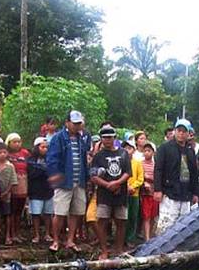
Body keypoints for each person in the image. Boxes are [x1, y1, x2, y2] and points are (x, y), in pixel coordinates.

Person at [46, 110, 90, 252]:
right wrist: (56, 177)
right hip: (64, 182)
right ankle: (56, 240)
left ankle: (70, 240)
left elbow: (84, 160)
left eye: (79, 123)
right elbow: (52, 160)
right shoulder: (58, 138)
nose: (77, 126)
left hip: (79, 180)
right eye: (74, 123)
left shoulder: (81, 139)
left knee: (76, 212)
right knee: (59, 213)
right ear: (67, 123)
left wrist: (87, 178)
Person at [91, 126, 131, 259]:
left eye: (110, 137)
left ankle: (118, 250)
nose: (107, 140)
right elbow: (93, 176)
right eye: (105, 138)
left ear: (114, 138)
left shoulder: (124, 153)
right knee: (102, 221)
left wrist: (117, 182)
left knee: (121, 221)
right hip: (104, 194)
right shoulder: (98, 156)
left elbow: (127, 172)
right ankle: (104, 250)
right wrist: (107, 185)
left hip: (121, 193)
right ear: (101, 139)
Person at [154, 119, 199, 235]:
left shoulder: (190, 151)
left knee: (183, 227)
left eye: (184, 131)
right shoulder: (165, 148)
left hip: (185, 193)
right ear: (175, 131)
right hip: (169, 192)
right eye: (179, 130)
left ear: (189, 133)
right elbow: (158, 169)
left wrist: (195, 193)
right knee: (166, 225)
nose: (181, 133)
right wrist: (157, 189)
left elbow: (194, 173)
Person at [27, 137, 54, 244]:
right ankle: (36, 235)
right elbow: (32, 174)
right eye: (42, 147)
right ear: (37, 147)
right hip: (35, 190)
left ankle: (47, 234)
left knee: (48, 213)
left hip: (48, 189)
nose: (45, 149)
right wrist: (43, 170)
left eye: (46, 147)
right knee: (36, 214)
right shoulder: (30, 160)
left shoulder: (51, 159)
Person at [5, 133, 30, 243]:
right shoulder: (6, 154)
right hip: (11, 185)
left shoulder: (25, 153)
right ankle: (10, 234)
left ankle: (17, 233)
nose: (17, 144)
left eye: (19, 141)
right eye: (14, 142)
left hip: (23, 184)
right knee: (11, 211)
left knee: (19, 211)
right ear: (9, 143)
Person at [0, 142, 17, 245]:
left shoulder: (10, 166)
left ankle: (7, 236)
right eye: (0, 152)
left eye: (4, 152)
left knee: (7, 215)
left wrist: (7, 192)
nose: (2, 154)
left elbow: (13, 182)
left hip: (6, 196)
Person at [122, 139, 144, 246]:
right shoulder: (120, 161)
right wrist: (126, 186)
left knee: (133, 216)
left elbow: (140, 178)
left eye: (129, 148)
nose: (127, 150)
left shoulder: (137, 163)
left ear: (134, 150)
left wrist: (132, 186)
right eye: (125, 148)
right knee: (122, 216)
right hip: (122, 192)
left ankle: (130, 237)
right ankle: (121, 238)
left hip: (134, 193)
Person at [140, 143, 158, 241]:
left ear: (153, 152)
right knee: (146, 216)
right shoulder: (141, 164)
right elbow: (140, 177)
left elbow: (158, 177)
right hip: (145, 194)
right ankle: (146, 238)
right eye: (145, 151)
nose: (147, 153)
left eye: (149, 151)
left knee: (153, 216)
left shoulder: (156, 165)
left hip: (154, 193)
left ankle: (150, 236)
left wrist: (148, 178)